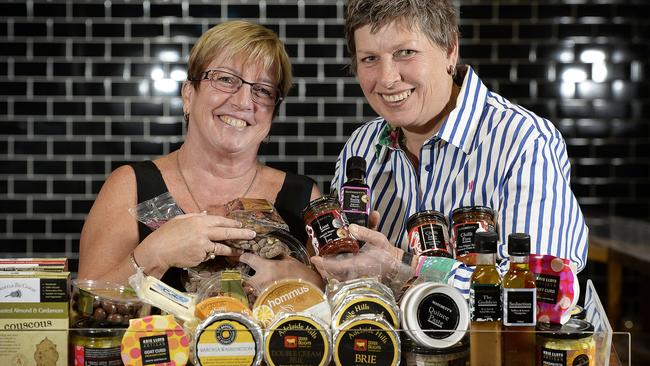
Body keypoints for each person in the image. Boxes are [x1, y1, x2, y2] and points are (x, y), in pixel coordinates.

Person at [312, 0, 588, 296]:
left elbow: (540, 294)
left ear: (450, 50)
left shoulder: (523, 141)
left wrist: (401, 266)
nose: (387, 78)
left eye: (405, 52)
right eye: (370, 59)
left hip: (487, 344)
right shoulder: (362, 147)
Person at [78, 20, 323, 291]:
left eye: (262, 90)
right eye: (226, 79)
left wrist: (308, 282)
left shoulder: (304, 199)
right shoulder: (130, 186)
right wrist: (154, 254)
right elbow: (88, 305)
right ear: (188, 95)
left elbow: (338, 311)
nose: (243, 102)